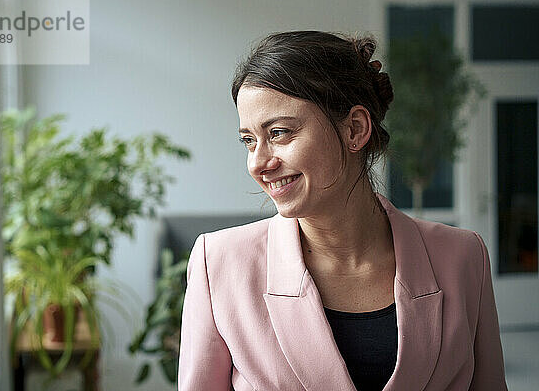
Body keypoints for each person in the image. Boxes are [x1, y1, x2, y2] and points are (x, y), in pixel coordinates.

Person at [177, 30, 507, 391]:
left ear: (355, 128)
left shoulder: (463, 256)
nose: (258, 163)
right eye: (249, 141)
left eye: (280, 133)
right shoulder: (219, 263)